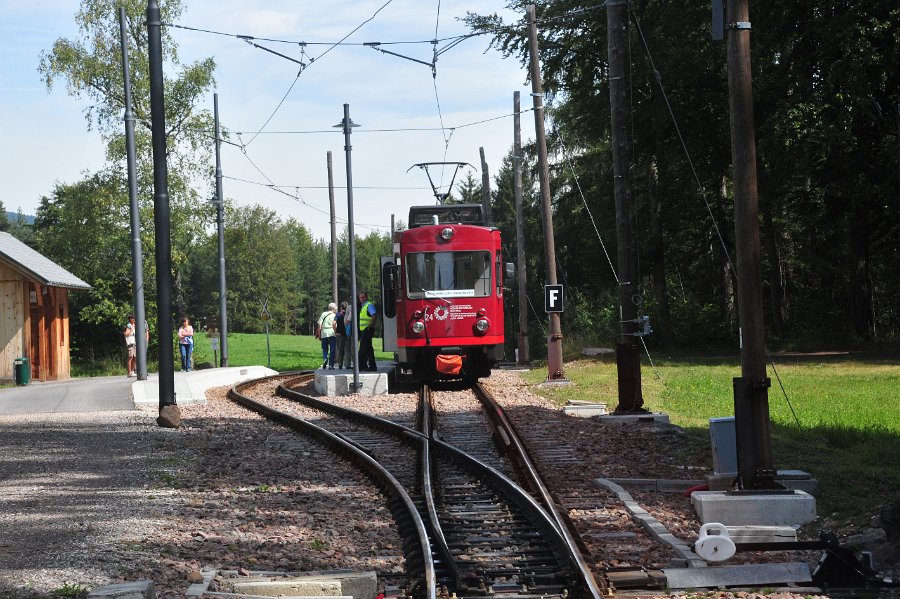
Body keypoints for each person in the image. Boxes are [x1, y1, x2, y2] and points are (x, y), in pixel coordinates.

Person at [357, 291, 378, 372]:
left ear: (366, 297)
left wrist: (369, 326)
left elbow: (374, 315)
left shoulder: (369, 305)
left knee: (362, 348)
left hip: (367, 329)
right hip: (364, 330)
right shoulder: (363, 306)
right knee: (369, 349)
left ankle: (359, 366)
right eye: (360, 297)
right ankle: (372, 366)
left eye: (363, 297)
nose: (361, 299)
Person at [316, 303, 338, 369]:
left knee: (325, 349)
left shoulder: (323, 314)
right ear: (334, 309)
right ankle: (331, 365)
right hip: (332, 333)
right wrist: (336, 332)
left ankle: (325, 358)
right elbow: (335, 325)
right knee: (332, 350)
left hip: (324, 333)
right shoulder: (335, 315)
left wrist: (319, 334)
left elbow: (319, 325)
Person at [334, 301, 350, 369]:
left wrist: (335, 331)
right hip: (348, 334)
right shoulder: (349, 314)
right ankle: (347, 365)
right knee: (347, 349)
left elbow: (334, 323)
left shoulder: (338, 315)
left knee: (340, 350)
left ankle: (340, 365)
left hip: (340, 335)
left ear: (341, 308)